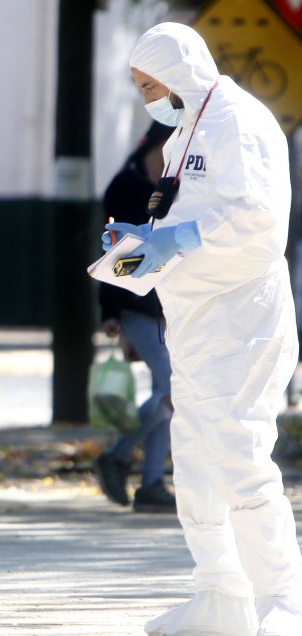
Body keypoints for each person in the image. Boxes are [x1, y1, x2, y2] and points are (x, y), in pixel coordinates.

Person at [103, 22, 302, 636]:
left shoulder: (236, 121)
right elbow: (182, 220)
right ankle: (220, 596)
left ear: (181, 72)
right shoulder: (186, 127)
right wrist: (132, 253)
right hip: (193, 323)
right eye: (138, 88)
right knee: (194, 462)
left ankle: (283, 599)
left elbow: (257, 218)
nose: (147, 100)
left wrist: (176, 239)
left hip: (242, 320)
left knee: (238, 454)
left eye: (150, 85)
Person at [94, 120, 177, 514]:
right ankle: (117, 455)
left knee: (169, 393)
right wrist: (111, 313)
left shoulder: (172, 186)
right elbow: (116, 254)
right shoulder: (126, 188)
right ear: (154, 145)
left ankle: (151, 485)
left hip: (170, 305)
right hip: (137, 305)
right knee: (171, 388)